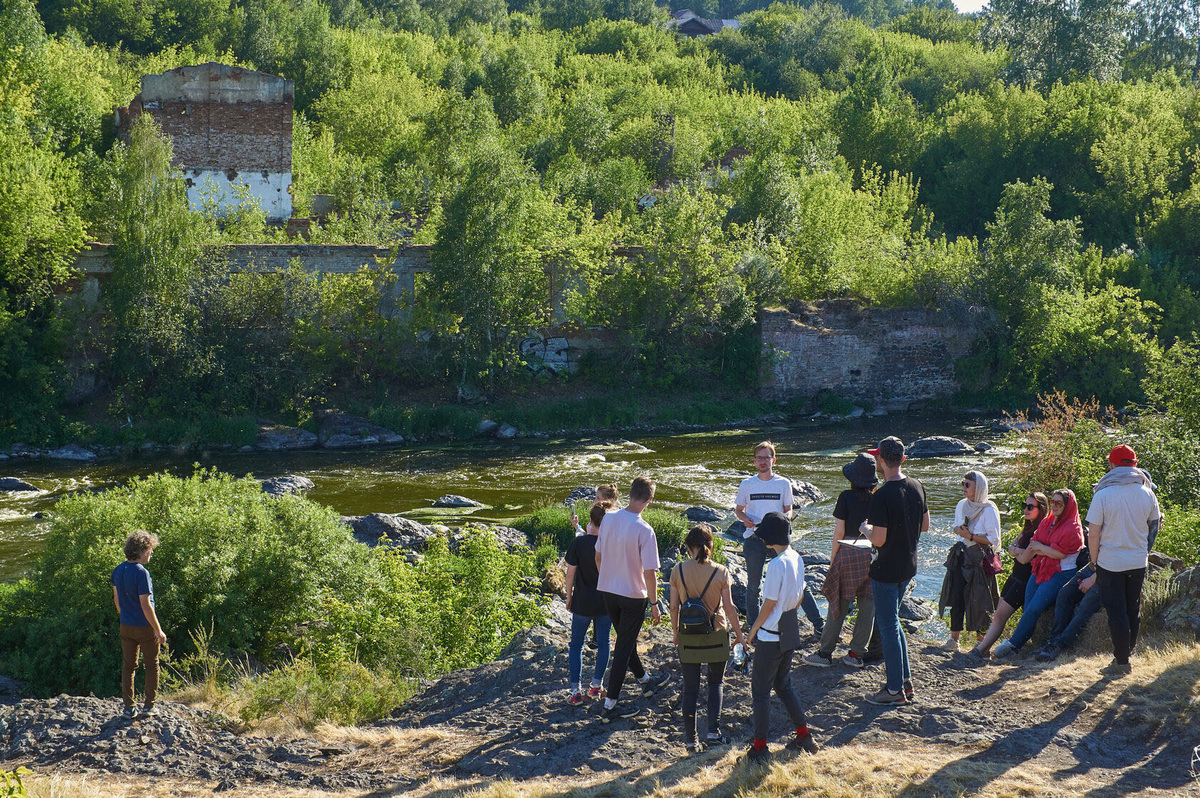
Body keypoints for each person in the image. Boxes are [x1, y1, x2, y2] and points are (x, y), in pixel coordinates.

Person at [743, 512, 819, 764]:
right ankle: (804, 737)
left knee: (761, 691)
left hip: (770, 637)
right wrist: (789, 616)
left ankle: (760, 748)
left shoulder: (775, 565)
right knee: (784, 685)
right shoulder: (796, 557)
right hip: (789, 630)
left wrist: (752, 631)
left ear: (769, 538)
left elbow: (768, 604)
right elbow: (800, 595)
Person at [861, 437, 928, 706]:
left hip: (886, 569)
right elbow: (925, 525)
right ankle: (905, 683)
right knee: (894, 623)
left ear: (880, 460)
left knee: (888, 626)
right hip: (908, 566)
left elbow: (878, 539)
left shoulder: (883, 495)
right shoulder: (917, 486)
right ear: (902, 458)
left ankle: (893, 690)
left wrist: (865, 529)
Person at [596, 476, 668, 722]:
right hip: (632, 596)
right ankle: (609, 706)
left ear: (629, 493)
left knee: (625, 642)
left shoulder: (608, 518)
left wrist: (606, 577)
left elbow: (598, 556)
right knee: (623, 648)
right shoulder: (644, 530)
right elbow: (650, 573)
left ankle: (645, 682)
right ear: (649, 500)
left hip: (608, 592)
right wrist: (655, 603)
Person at [1085, 445, 1161, 675]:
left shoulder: (1103, 493)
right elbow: (1155, 527)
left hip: (1110, 562)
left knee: (1116, 611)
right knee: (1132, 609)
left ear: (1112, 465)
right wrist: (1145, 551)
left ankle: (1121, 662)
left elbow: (1094, 533)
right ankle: (1126, 654)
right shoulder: (1147, 492)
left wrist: (1095, 561)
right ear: (1134, 465)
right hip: (1138, 561)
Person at [669, 524, 745, 753]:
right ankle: (713, 733)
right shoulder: (721, 572)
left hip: (688, 636)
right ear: (711, 545)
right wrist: (739, 636)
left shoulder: (677, 570)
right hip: (716, 633)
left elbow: (674, 607)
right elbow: (730, 608)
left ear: (688, 547)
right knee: (715, 683)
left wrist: (675, 633)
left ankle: (691, 741)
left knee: (690, 688)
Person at [735, 442, 823, 636]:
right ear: (754, 461)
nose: (763, 461)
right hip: (754, 538)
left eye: (766, 458)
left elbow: (788, 509)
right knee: (753, 586)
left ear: (773, 460)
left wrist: (785, 520)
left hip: (779, 540)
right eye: (759, 458)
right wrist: (746, 519)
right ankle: (754, 626)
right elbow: (739, 510)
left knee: (799, 582)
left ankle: (819, 625)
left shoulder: (783, 483)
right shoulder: (747, 484)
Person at [804, 452, 879, 669]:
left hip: (848, 552)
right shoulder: (878, 498)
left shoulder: (846, 497)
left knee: (837, 604)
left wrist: (832, 561)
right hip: (872, 555)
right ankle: (856, 654)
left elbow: (840, 531)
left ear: (853, 478)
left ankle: (825, 653)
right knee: (868, 607)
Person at [993, 489, 1084, 660]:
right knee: (1028, 608)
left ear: (1067, 505)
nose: (1054, 506)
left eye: (1059, 503)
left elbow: (1060, 554)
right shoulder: (1047, 522)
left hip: (1061, 573)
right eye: (1052, 502)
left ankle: (1013, 645)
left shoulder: (1072, 527)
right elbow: (1034, 543)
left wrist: (1042, 548)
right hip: (1040, 569)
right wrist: (1045, 549)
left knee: (1035, 607)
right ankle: (1027, 643)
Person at [968, 492, 1049, 661]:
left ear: (1040, 509)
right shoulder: (1028, 527)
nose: (1026, 510)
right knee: (998, 614)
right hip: (1014, 576)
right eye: (1024, 506)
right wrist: (1020, 551)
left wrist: (1018, 552)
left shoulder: (1041, 530)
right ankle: (984, 650)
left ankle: (981, 650)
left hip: (1025, 581)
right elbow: (1012, 548)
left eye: (1030, 507)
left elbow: (1024, 558)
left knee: (1000, 616)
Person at [938, 471, 1001, 652]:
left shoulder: (989, 509)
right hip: (961, 555)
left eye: (968, 485)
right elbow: (956, 526)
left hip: (979, 559)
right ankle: (954, 640)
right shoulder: (961, 505)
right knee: (956, 594)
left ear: (978, 487)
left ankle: (981, 642)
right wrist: (959, 530)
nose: (964, 488)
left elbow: (994, 539)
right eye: (963, 484)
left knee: (980, 599)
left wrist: (971, 535)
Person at [111, 530, 167, 720]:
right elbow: (146, 605)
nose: (151, 553)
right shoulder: (142, 573)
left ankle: (129, 708)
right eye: (150, 550)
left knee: (129, 666)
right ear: (142, 551)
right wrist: (158, 630)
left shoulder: (118, 570)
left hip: (125, 625)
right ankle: (149, 706)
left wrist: (126, 615)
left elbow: (116, 601)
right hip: (144, 627)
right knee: (152, 665)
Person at [564, 502, 613, 705]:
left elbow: (570, 574)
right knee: (604, 644)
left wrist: (568, 597)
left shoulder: (579, 544)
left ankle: (576, 691)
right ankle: (596, 687)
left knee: (576, 645)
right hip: (605, 602)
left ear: (590, 520)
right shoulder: (611, 543)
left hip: (582, 601)